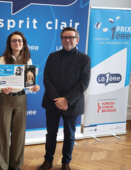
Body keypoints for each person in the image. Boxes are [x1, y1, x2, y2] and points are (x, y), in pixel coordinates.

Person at [39, 27, 91, 170]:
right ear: (61, 39)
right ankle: (48, 160)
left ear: (77, 40)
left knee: (69, 135)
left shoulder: (84, 59)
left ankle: (65, 163)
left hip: (72, 104)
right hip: (52, 103)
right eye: (65, 37)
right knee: (51, 134)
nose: (68, 40)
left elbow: (83, 83)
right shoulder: (52, 56)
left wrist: (66, 100)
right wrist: (58, 100)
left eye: (71, 37)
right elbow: (47, 79)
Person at [0, 31, 40, 170]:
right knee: (2, 134)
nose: (17, 43)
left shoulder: (28, 61)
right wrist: (1, 90)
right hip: (4, 99)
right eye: (14, 41)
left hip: (21, 99)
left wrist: (33, 87)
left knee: (19, 134)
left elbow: (28, 84)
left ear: (23, 44)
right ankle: (1, 166)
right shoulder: (0, 60)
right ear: (9, 44)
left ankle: (15, 165)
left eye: (20, 41)